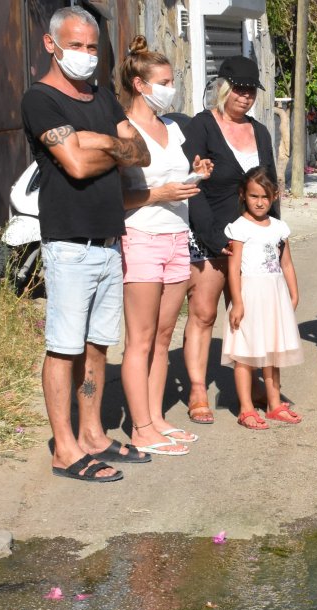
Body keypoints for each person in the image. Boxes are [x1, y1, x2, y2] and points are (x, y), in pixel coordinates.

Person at [22, 6, 151, 482]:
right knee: (64, 348)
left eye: (92, 47)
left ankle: (94, 434)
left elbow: (141, 150)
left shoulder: (101, 96)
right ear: (51, 45)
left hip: (108, 240)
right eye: (75, 46)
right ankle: (65, 448)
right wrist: (106, 149)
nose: (85, 55)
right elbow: (73, 167)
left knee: (98, 345)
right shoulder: (41, 100)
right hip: (70, 242)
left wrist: (95, 140)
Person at [117, 35, 213, 456]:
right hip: (141, 237)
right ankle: (139, 428)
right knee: (138, 339)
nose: (170, 89)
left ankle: (155, 418)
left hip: (178, 237)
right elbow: (119, 196)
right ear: (140, 84)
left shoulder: (172, 127)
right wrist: (162, 194)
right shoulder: (124, 129)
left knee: (162, 336)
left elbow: (177, 181)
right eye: (165, 81)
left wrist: (197, 174)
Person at [182, 56, 278, 424]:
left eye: (251, 89)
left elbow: (270, 191)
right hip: (212, 238)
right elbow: (192, 187)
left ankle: (248, 385)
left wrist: (276, 240)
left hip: (253, 244)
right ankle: (196, 390)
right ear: (222, 86)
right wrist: (212, 235)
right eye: (238, 88)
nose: (245, 96)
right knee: (203, 313)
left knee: (247, 316)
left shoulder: (261, 132)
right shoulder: (201, 127)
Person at [223, 167, 303, 429]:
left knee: (273, 351)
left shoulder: (279, 227)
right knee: (245, 354)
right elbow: (233, 269)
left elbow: (287, 264)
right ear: (243, 195)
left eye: (265, 197)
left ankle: (274, 403)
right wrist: (237, 302)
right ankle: (246, 408)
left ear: (275, 196)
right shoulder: (238, 228)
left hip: (274, 295)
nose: (259, 202)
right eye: (254, 196)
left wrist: (293, 292)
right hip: (250, 297)